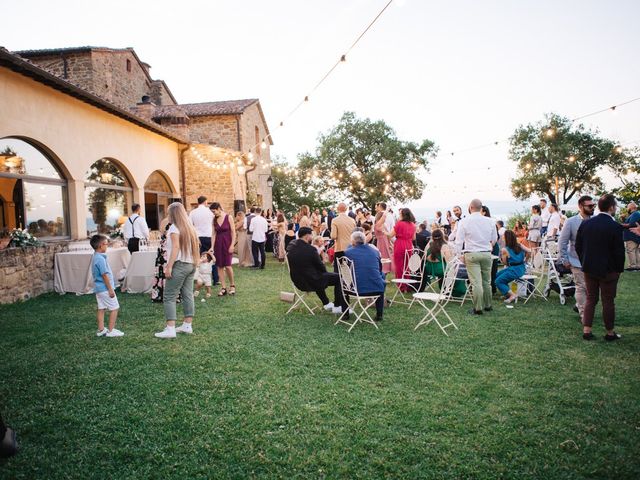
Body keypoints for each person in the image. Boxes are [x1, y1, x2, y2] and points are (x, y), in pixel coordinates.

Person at [575, 194, 625, 341]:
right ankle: (610, 332)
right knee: (608, 301)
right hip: (609, 270)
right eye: (615, 206)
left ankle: (587, 330)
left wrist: (584, 260)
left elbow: (578, 246)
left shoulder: (586, 223)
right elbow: (619, 252)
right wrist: (618, 270)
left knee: (591, 299)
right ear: (611, 207)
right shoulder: (615, 226)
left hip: (589, 268)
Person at [155, 202, 199, 339]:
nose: (168, 216)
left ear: (173, 214)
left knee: (169, 296)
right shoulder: (189, 227)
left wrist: (169, 266)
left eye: (169, 213)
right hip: (190, 264)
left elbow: (175, 248)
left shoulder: (174, 228)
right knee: (187, 294)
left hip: (179, 265)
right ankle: (187, 325)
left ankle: (170, 329)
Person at [286, 227, 346, 314]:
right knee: (338, 277)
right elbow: (320, 266)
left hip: (297, 280)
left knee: (318, 275)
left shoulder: (291, 245)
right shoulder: (310, 250)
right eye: (311, 235)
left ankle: (326, 303)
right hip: (309, 281)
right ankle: (337, 306)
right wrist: (325, 273)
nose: (312, 237)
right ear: (307, 236)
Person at [454, 199, 498, 315]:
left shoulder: (464, 221)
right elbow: (494, 239)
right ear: (481, 208)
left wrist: (459, 255)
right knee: (486, 281)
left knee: (476, 282)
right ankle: (488, 305)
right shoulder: (490, 221)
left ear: (470, 207)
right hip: (486, 253)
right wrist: (489, 246)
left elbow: (459, 241)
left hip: (471, 253)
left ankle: (478, 308)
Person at [558, 195, 595, 321]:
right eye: (589, 206)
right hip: (576, 260)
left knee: (593, 289)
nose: (592, 208)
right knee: (581, 286)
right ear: (580, 206)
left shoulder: (595, 220)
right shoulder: (571, 221)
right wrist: (564, 259)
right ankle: (584, 315)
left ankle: (578, 305)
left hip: (593, 261)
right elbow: (562, 242)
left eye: (593, 205)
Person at [344, 231, 386, 321]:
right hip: (377, 289)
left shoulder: (347, 252)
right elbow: (379, 269)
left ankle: (345, 314)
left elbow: (345, 272)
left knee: (342, 283)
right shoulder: (375, 252)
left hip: (355, 289)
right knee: (380, 280)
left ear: (353, 242)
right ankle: (379, 314)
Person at [90, 234, 124, 337]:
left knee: (102, 308)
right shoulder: (100, 259)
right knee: (114, 308)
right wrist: (110, 289)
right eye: (106, 244)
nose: (107, 246)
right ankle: (111, 331)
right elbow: (104, 275)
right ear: (101, 245)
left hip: (99, 289)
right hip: (105, 289)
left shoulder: (96, 256)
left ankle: (101, 330)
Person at [423, 229, 466, 297]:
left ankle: (444, 288)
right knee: (456, 271)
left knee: (452, 270)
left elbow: (424, 256)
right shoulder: (444, 246)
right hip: (441, 270)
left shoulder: (429, 245)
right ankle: (452, 291)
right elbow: (450, 262)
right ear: (442, 236)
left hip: (428, 269)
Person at [331, 202, 357, 301]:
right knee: (349, 273)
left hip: (340, 249)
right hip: (350, 249)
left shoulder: (335, 220)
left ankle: (338, 299)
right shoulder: (352, 220)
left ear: (338, 209)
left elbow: (333, 236)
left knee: (338, 275)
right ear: (346, 209)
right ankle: (349, 295)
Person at [387, 208, 417, 291]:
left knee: (399, 265)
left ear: (403, 215)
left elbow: (390, 235)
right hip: (409, 245)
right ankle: (406, 285)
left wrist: (385, 231)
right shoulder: (413, 224)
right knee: (407, 266)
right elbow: (414, 238)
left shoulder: (399, 223)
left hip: (400, 244)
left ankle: (401, 286)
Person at [210, 202, 237, 295]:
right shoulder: (214, 219)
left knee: (228, 266)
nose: (214, 213)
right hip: (218, 245)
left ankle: (232, 286)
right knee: (219, 266)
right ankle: (223, 287)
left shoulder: (228, 217)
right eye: (212, 212)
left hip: (228, 244)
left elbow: (233, 232)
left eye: (214, 211)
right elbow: (213, 234)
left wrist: (232, 245)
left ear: (219, 208)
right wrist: (212, 247)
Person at [498, 230, 531, 303]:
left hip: (514, 270)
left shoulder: (505, 249)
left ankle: (512, 295)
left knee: (498, 281)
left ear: (506, 238)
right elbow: (529, 251)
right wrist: (525, 260)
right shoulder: (519, 245)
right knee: (497, 276)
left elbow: (505, 263)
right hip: (521, 268)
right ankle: (507, 293)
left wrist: (502, 259)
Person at [374, 202, 393, 274]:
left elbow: (388, 234)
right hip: (381, 243)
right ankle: (383, 272)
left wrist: (390, 243)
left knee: (387, 257)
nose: (385, 219)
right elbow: (384, 217)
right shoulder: (378, 224)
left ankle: (386, 272)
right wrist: (387, 210)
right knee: (383, 257)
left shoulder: (383, 225)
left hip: (385, 242)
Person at [622, 201, 640, 270]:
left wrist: (620, 225)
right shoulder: (636, 214)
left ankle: (632, 266)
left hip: (631, 236)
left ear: (631, 207)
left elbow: (631, 224)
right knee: (635, 251)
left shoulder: (635, 214)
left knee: (631, 250)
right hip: (634, 236)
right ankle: (638, 266)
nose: (627, 209)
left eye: (628, 207)